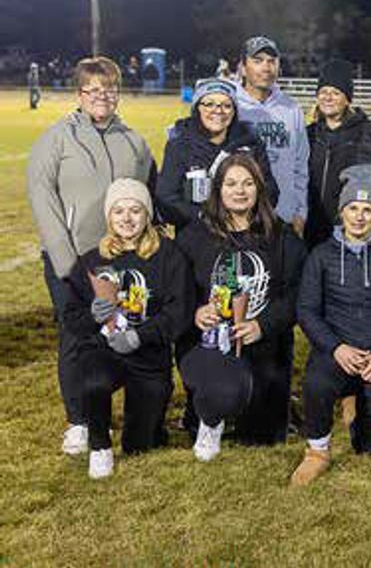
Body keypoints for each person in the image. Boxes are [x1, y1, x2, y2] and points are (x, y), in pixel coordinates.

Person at [28, 56, 156, 456]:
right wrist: (68, 265)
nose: (102, 96)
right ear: (79, 94)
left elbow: (150, 196)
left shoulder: (135, 141)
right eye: (93, 89)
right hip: (72, 261)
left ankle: (126, 410)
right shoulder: (56, 139)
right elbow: (43, 198)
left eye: (110, 88)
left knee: (121, 329)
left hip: (120, 259)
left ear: (118, 92)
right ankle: (79, 421)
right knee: (77, 336)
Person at [291, 165, 371, 485]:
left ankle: (358, 403)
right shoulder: (321, 255)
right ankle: (317, 450)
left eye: (368, 210)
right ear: (341, 212)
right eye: (352, 208)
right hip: (337, 351)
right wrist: (336, 349)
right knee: (316, 385)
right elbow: (306, 310)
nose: (359, 217)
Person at [176, 153, 306, 460]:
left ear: (259, 189)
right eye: (231, 183)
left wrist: (263, 326)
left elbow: (297, 296)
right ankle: (209, 418)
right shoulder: (194, 236)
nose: (240, 190)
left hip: (263, 343)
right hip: (209, 343)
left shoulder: (282, 237)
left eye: (248, 183)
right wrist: (196, 312)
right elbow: (177, 293)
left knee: (262, 439)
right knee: (223, 391)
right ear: (218, 189)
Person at [60, 180, 192, 478]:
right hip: (104, 351)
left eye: (135, 210)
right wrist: (92, 315)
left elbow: (179, 312)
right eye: (118, 211)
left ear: (147, 215)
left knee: (141, 446)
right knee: (94, 380)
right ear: (109, 217)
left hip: (148, 356)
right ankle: (99, 446)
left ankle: (149, 427)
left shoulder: (169, 256)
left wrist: (140, 336)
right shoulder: (93, 260)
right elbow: (71, 316)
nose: (127, 218)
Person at [157, 78, 278, 230]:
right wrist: (206, 217)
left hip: (244, 235)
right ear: (197, 108)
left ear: (234, 111)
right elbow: (167, 197)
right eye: (209, 104)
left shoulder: (251, 144)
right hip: (194, 236)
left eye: (226, 105)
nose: (218, 110)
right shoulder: (179, 146)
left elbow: (270, 191)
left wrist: (242, 216)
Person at [303, 58, 371, 248]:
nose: (328, 98)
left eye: (335, 93)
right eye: (323, 92)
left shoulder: (366, 133)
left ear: (348, 98)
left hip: (347, 229)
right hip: (308, 226)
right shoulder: (308, 134)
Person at [235, 35, 310, 235]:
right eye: (257, 61)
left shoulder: (291, 109)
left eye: (271, 61)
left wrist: (300, 212)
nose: (266, 68)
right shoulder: (230, 107)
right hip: (239, 218)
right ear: (243, 67)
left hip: (283, 216)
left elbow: (300, 167)